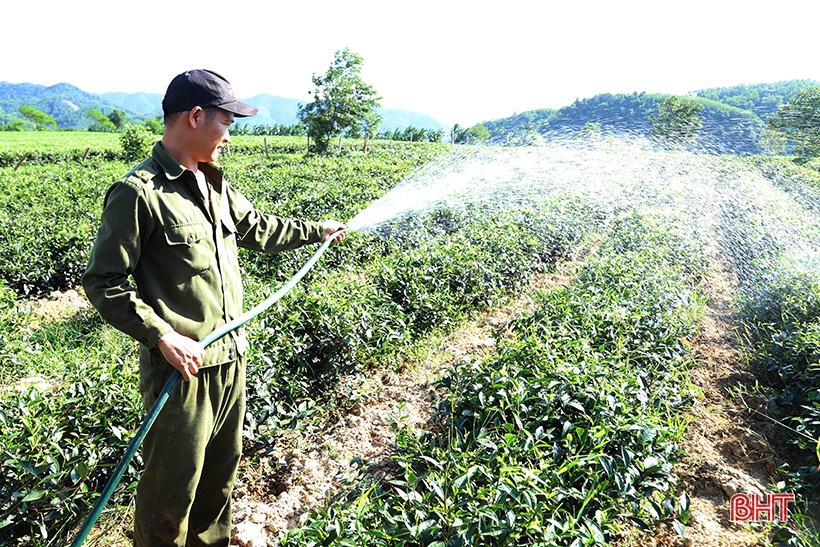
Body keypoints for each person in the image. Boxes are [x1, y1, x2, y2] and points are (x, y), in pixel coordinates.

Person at [82, 69, 346, 547]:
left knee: (216, 488)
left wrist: (317, 230)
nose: (229, 135)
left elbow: (258, 228)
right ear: (196, 116)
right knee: (170, 496)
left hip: (231, 361)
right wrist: (162, 335)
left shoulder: (214, 184)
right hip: (182, 373)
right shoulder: (138, 192)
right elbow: (104, 281)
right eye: (226, 121)